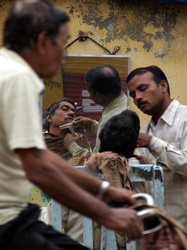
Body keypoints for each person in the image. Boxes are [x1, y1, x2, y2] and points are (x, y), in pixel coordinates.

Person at [0, 0, 142, 249]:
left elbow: (39, 157)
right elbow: (38, 167)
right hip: (7, 221)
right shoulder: (18, 78)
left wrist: (105, 190)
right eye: (63, 44)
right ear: (44, 41)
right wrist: (106, 212)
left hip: (17, 216)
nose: (65, 54)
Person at [126, 65, 187, 227]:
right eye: (133, 95)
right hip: (155, 231)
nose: (137, 97)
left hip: (182, 228)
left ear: (163, 86)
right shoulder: (144, 132)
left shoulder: (185, 119)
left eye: (143, 89)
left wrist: (154, 144)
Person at [74, 64, 128, 153]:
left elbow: (99, 160)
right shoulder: (124, 101)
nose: (89, 96)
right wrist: (91, 125)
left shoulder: (112, 118)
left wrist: (73, 147)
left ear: (99, 95)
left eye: (89, 91)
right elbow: (111, 137)